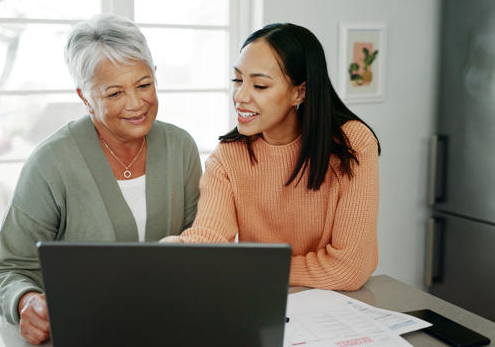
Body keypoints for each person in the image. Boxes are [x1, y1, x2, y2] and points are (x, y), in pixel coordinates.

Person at [0, 14, 202, 345]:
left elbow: (200, 246)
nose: (136, 103)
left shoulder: (181, 147)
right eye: (114, 93)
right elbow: (5, 270)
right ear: (85, 96)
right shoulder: (51, 162)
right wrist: (26, 301)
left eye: (144, 85)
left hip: (163, 329)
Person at [162, 23, 381, 291]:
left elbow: (350, 269)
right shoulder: (228, 156)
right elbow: (210, 238)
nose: (241, 96)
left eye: (260, 85)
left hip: (337, 306)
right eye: (238, 80)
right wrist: (179, 250)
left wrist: (251, 267)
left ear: (299, 92)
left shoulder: (352, 144)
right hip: (262, 297)